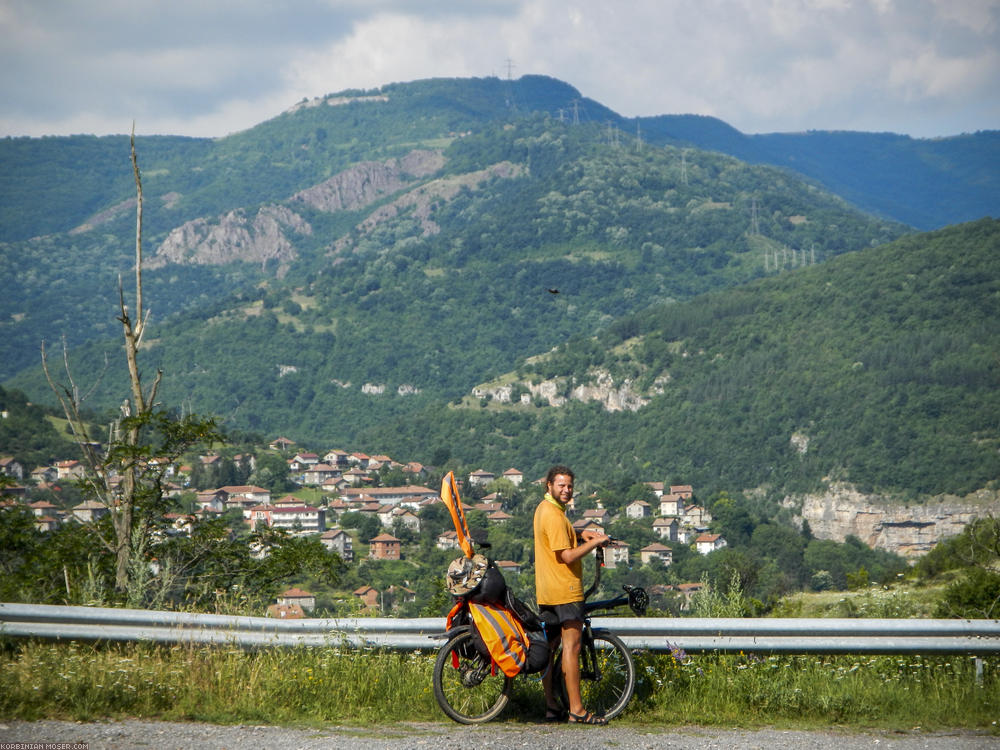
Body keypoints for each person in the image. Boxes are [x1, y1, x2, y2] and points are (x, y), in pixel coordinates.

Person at [533, 464, 610, 725]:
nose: (566, 490)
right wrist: (593, 543)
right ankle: (577, 709)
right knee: (572, 648)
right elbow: (565, 555)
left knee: (549, 649)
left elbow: (559, 538)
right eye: (561, 485)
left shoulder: (546, 509)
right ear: (549, 485)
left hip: (547, 590)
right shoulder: (554, 515)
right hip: (565, 590)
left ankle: (552, 706)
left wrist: (579, 533)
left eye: (569, 486)